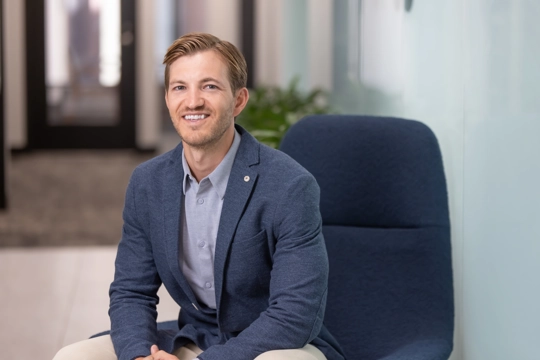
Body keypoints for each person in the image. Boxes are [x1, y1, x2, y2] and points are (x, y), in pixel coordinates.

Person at [53, 32, 344, 360]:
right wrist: (139, 355)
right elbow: (131, 292)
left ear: (238, 100)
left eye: (209, 86)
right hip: (192, 338)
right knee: (72, 356)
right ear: (167, 99)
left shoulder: (289, 186)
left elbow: (294, 315)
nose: (192, 102)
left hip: (272, 346)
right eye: (180, 87)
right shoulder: (148, 183)